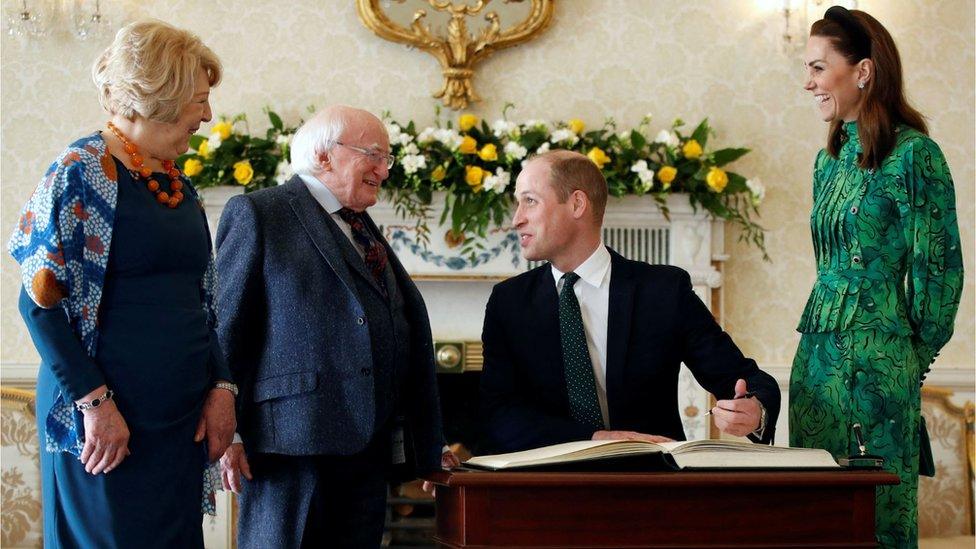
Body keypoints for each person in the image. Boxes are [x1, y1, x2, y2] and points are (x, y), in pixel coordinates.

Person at [7, 20, 236, 548]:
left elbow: (207, 305)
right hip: (107, 423)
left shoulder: (178, 184)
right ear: (160, 95)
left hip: (178, 421)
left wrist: (221, 388)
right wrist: (95, 404)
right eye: (199, 100)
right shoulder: (79, 172)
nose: (208, 115)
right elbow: (38, 304)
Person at [215, 105, 457, 548]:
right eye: (374, 155)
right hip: (290, 450)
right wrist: (226, 433)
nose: (384, 170)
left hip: (366, 455)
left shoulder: (359, 225)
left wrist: (427, 442)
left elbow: (397, 328)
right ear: (325, 155)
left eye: (388, 159)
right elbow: (226, 330)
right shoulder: (259, 212)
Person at [792, 6, 963, 548]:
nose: (808, 82)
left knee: (877, 519)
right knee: (812, 512)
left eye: (819, 68)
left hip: (880, 358)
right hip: (815, 355)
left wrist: (910, 355)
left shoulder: (916, 155)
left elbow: (940, 269)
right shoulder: (829, 160)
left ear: (862, 71)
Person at [479, 150, 780, 454]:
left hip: (649, 486)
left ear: (577, 204)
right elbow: (496, 415)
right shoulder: (508, 302)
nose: (517, 219)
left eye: (530, 201)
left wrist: (755, 411)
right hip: (541, 488)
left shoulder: (664, 291)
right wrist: (597, 439)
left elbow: (747, 380)